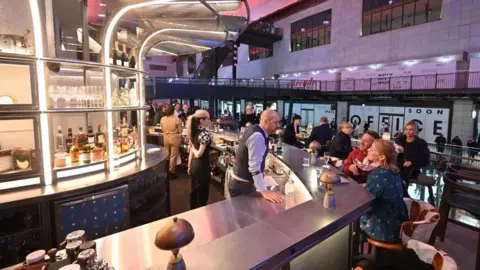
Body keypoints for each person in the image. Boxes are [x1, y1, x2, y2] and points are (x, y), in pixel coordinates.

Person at [361, 139, 409, 243]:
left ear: (381, 157)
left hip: (384, 228)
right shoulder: (394, 171)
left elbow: (365, 201)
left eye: (372, 149)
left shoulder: (378, 175)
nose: (368, 149)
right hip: (398, 224)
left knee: (352, 221)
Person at [230, 109, 283, 203]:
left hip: (242, 184)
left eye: (279, 122)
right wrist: (264, 191)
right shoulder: (258, 136)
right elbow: (254, 168)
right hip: (242, 187)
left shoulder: (255, 128)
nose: (278, 126)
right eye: (275, 122)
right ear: (266, 121)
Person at [395, 122, 430, 197]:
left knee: (398, 177)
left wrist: (411, 162)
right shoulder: (399, 141)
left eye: (411, 129)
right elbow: (394, 156)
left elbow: (425, 159)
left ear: (416, 131)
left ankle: (403, 197)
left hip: (412, 169)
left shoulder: (421, 143)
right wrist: (401, 163)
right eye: (406, 129)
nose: (408, 131)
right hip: (399, 165)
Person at [187, 110, 212, 209]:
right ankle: (201, 215)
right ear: (201, 121)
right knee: (202, 194)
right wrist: (193, 148)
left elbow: (191, 154)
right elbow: (198, 154)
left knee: (194, 192)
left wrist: (189, 166)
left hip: (194, 166)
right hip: (202, 168)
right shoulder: (204, 134)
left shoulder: (192, 132)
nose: (209, 120)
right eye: (208, 119)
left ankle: (192, 212)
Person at [160, 105, 183, 179]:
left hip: (165, 137)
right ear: (173, 111)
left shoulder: (163, 119)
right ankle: (171, 172)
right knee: (173, 156)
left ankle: (165, 170)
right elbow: (180, 131)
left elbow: (162, 128)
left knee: (166, 155)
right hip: (174, 138)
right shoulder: (177, 119)